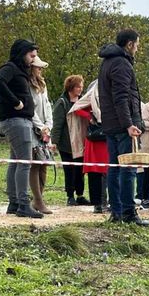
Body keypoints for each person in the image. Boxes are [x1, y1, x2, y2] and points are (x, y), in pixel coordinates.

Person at [98, 28, 149, 226]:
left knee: (114, 168)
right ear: (129, 44)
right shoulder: (122, 64)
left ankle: (117, 212)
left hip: (111, 124)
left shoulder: (108, 62)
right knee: (127, 168)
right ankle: (128, 213)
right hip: (122, 126)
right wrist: (129, 124)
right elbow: (121, 98)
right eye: (137, 44)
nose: (138, 48)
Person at [0, 39, 43, 218]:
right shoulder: (11, 67)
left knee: (15, 162)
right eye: (32, 55)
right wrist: (16, 102)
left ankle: (14, 203)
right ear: (22, 53)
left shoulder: (20, 70)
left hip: (19, 121)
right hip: (17, 121)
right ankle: (23, 204)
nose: (34, 59)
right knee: (24, 162)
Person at [67, 80, 110, 214]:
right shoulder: (91, 96)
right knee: (95, 172)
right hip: (95, 139)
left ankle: (104, 202)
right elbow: (77, 108)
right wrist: (90, 116)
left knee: (106, 171)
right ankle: (98, 204)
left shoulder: (109, 97)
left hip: (106, 139)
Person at [52, 75, 90, 207]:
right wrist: (54, 142)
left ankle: (80, 195)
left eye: (81, 86)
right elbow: (57, 124)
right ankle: (70, 196)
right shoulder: (62, 103)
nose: (80, 89)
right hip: (66, 143)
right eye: (78, 86)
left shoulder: (83, 101)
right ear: (71, 87)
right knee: (69, 169)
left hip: (81, 141)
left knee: (80, 170)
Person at [28, 56, 53, 215]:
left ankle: (38, 199)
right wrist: (40, 126)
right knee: (35, 164)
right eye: (38, 67)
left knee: (45, 164)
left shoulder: (43, 85)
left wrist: (48, 126)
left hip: (44, 130)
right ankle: (38, 200)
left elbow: (48, 106)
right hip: (33, 129)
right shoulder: (28, 85)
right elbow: (31, 109)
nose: (40, 70)